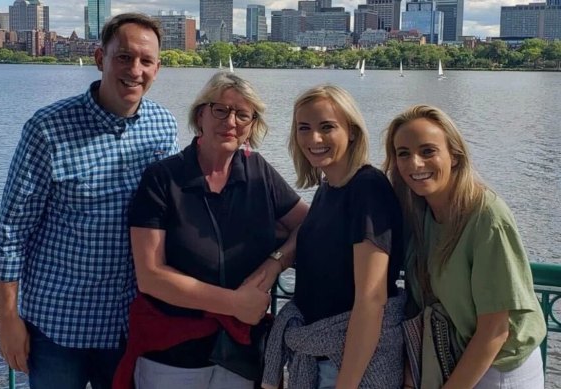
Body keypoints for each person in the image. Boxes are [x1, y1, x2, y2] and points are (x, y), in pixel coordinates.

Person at [0, 13, 179, 389]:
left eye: (146, 61)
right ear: (99, 59)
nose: (135, 70)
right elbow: (11, 231)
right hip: (58, 328)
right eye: (123, 57)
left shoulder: (163, 125)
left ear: (158, 68)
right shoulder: (47, 128)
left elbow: (175, 211)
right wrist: (8, 319)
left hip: (128, 325)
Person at [118, 71, 308, 389]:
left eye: (242, 114)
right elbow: (151, 276)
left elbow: (308, 225)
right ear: (200, 114)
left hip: (240, 356)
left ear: (251, 126)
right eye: (221, 109)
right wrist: (235, 303)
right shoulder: (163, 179)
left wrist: (275, 262)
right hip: (172, 356)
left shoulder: (259, 173)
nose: (230, 121)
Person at [382, 104, 546, 389]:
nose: (415, 164)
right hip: (448, 358)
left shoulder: (486, 216)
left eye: (428, 151)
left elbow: (495, 331)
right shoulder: (420, 213)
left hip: (498, 369)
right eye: (403, 154)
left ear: (455, 156)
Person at [263, 85, 405, 389]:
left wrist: (347, 384)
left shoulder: (368, 189)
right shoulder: (328, 189)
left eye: (327, 127)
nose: (314, 139)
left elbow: (372, 298)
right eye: (304, 128)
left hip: (350, 365)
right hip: (322, 356)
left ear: (351, 131)